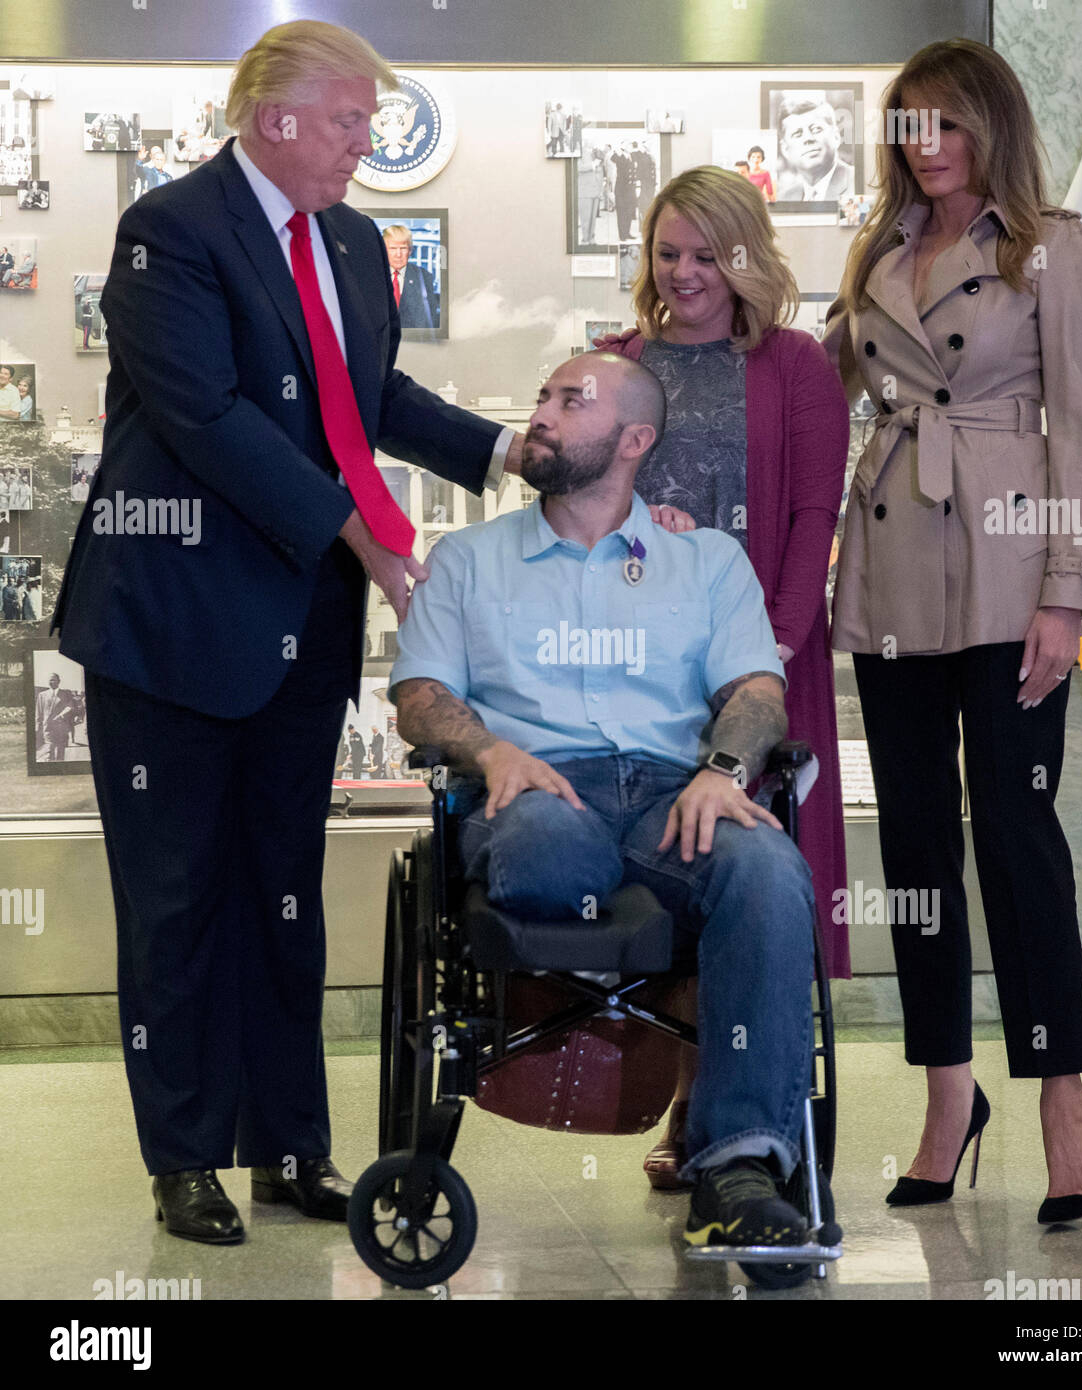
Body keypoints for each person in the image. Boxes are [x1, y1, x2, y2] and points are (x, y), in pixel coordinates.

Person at [51, 19, 530, 1248]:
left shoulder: (359, 242)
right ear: (276, 121)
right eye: (351, 121)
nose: (369, 141)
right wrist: (360, 535)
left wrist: (499, 449)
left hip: (299, 627)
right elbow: (207, 416)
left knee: (282, 895)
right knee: (178, 899)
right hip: (172, 623)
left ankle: (289, 1144)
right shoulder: (171, 232)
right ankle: (185, 1156)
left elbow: (365, 396)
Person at [391, 351, 820, 1250]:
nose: (540, 413)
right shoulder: (466, 561)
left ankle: (736, 1166)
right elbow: (420, 697)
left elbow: (755, 692)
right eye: (542, 393)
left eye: (567, 400)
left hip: (674, 797)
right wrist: (489, 747)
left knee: (768, 865)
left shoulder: (704, 561)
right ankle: (602, 1023)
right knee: (550, 845)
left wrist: (724, 770)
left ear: (634, 440)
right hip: (531, 787)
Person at [821, 39, 1082, 1221]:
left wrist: (1067, 591)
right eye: (908, 126)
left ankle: (1061, 1096)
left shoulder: (1048, 243)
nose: (925, 145)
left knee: (1013, 831)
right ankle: (948, 1093)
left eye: (944, 122)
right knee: (911, 850)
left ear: (989, 123)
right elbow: (818, 383)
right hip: (891, 561)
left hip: (1007, 566)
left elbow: (1079, 423)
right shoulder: (876, 248)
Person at [593, 164, 850, 1188]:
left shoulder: (793, 366)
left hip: (763, 673)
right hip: (642, 682)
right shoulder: (617, 362)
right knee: (677, 886)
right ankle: (690, 1101)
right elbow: (577, 519)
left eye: (709, 253)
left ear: (748, 257)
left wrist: (768, 658)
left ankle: (750, 1112)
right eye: (669, 253)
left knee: (759, 883)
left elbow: (809, 523)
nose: (687, 273)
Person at [778, 98, 854, 202]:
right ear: (785, 149)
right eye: (797, 134)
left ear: (836, 137)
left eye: (816, 129)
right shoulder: (783, 199)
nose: (808, 138)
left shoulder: (858, 183)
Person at [382, 225, 438, 329]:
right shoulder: (375, 275)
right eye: (393, 248)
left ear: (410, 251)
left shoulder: (424, 277)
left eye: (403, 248)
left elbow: (430, 318)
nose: (398, 254)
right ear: (384, 250)